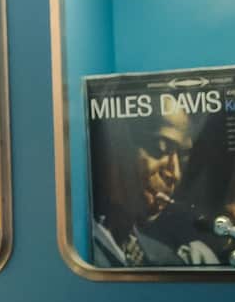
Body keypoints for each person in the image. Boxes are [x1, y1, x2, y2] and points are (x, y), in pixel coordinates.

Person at [89, 110, 220, 267]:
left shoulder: (165, 256)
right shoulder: (84, 247)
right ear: (116, 148)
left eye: (183, 157)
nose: (175, 174)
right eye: (162, 148)